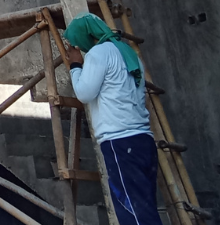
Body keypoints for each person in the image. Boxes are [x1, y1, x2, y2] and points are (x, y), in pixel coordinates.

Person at [63, 13, 159, 225]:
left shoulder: (100, 53)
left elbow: (85, 93)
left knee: (132, 212)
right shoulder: (127, 52)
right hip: (143, 140)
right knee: (144, 208)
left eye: (76, 42)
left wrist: (76, 65)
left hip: (120, 142)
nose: (78, 48)